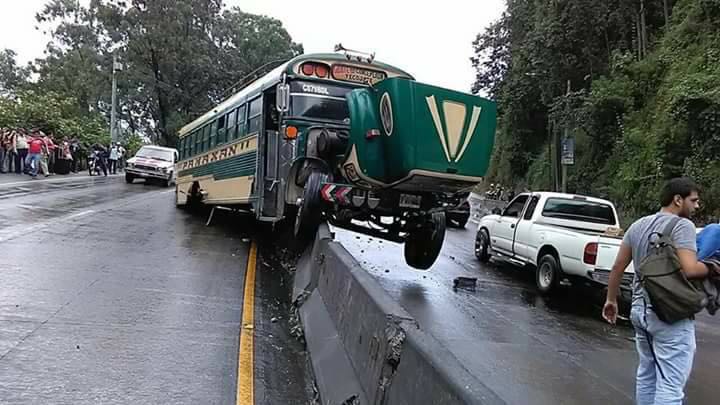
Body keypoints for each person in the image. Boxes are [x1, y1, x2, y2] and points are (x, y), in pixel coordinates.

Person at [603, 177, 708, 405]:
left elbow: (617, 267)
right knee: (670, 384)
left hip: (640, 311)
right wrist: (713, 266)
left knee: (648, 375)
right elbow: (690, 269)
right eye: (694, 200)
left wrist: (611, 300)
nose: (697, 206)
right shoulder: (683, 226)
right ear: (678, 200)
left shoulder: (638, 225)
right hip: (668, 312)